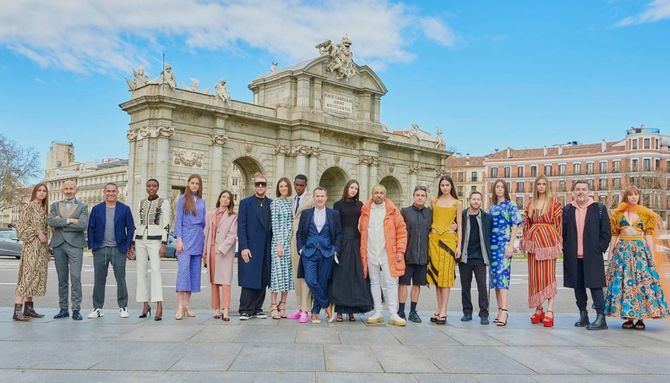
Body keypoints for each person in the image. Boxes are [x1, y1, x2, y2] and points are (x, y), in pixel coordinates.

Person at [605, 185, 669, 329]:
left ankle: (641, 318)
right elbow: (614, 236)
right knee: (625, 284)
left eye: (636, 194)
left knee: (641, 283)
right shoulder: (618, 214)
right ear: (625, 197)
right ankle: (629, 317)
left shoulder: (646, 215)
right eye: (630, 195)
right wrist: (610, 255)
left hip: (640, 252)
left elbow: (648, 236)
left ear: (639, 197)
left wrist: (651, 256)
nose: (633, 197)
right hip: (623, 251)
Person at [562, 180, 611, 330]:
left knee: (596, 286)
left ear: (589, 192)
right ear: (573, 192)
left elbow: (606, 232)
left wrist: (599, 248)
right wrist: (566, 247)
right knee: (578, 287)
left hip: (592, 255)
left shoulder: (599, 209)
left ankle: (601, 318)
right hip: (573, 255)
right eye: (578, 189)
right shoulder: (568, 209)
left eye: (584, 189)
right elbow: (563, 232)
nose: (581, 192)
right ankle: (583, 315)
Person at [359, 185, 407, 327]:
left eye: (381, 193)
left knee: (391, 282)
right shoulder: (365, 211)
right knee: (374, 282)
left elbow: (402, 231)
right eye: (376, 193)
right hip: (371, 251)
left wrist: (400, 250)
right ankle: (378, 311)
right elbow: (360, 230)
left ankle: (393, 313)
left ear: (385, 195)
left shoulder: (392, 211)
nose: (379, 195)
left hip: (388, 252)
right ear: (372, 194)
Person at [87, 183, 135, 319]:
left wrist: (126, 245)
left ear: (117, 192)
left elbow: (131, 228)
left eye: (113, 191)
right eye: (108, 191)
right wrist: (92, 246)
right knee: (99, 280)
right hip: (100, 249)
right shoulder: (96, 209)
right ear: (104, 192)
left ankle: (123, 307)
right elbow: (91, 227)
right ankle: (97, 308)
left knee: (121, 279)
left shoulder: (124, 209)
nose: (111, 193)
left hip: (118, 249)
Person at [296, 187, 342, 323]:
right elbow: (299, 233)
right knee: (310, 280)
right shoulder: (306, 214)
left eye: (322, 196)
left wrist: (335, 249)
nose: (320, 198)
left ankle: (315, 313)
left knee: (321, 283)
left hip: (327, 253)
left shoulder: (334, 214)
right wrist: (300, 249)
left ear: (326, 198)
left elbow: (339, 234)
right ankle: (326, 305)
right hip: (309, 252)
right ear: (314, 198)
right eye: (317, 196)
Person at [330, 180, 374, 322]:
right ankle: (339, 312)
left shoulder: (360, 205)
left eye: (356, 188)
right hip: (343, 241)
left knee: (355, 277)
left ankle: (352, 311)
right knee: (341, 277)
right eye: (351, 187)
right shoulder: (338, 205)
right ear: (347, 188)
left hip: (356, 242)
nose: (353, 190)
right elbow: (335, 225)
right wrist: (336, 246)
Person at [521, 175, 562, 327]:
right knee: (535, 276)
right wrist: (525, 241)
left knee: (548, 276)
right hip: (533, 242)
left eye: (544, 184)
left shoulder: (554, 203)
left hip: (548, 242)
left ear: (548, 186)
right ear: (536, 186)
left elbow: (559, 225)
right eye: (539, 184)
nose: (541, 187)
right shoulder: (530, 203)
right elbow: (526, 224)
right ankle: (539, 308)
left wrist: (558, 242)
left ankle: (550, 309)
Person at [48, 180, 88, 321]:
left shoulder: (83, 206)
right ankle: (63, 309)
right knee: (62, 279)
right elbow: (51, 221)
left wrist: (62, 221)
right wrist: (70, 220)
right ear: (62, 190)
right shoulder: (54, 205)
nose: (69, 191)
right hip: (58, 244)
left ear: (76, 190)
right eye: (66, 188)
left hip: (75, 245)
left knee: (76, 277)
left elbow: (83, 225)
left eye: (71, 188)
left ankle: (76, 309)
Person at [132, 179, 171, 321]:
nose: (151, 188)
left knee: (155, 271)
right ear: (146, 187)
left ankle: (159, 305)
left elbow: (166, 223)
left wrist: (164, 243)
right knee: (140, 272)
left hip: (155, 239)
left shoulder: (163, 202)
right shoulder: (141, 202)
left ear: (158, 187)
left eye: (154, 186)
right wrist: (132, 241)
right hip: (140, 239)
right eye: (149, 186)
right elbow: (138, 222)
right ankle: (145, 304)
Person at [237, 172, 273, 320]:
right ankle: (245, 309)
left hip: (266, 247)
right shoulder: (246, 203)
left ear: (266, 187)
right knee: (249, 277)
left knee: (263, 278)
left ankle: (257, 308)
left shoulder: (271, 203)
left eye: (262, 184)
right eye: (257, 184)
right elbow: (241, 226)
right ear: (254, 186)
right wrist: (243, 247)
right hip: (250, 247)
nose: (260, 187)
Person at [13, 184, 50, 321]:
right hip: (31, 246)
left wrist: (47, 250)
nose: (41, 193)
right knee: (27, 275)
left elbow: (46, 231)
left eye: (44, 191)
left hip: (41, 248)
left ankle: (28, 308)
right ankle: (17, 310)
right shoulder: (28, 206)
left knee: (35, 276)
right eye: (39, 190)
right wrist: (36, 233)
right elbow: (20, 226)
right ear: (35, 192)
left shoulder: (43, 209)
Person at [428, 176, 462, 325]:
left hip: (449, 241)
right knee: (436, 277)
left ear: (451, 186)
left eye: (447, 185)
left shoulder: (457, 203)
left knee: (446, 277)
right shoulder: (433, 201)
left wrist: (459, 245)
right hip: (434, 240)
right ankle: (438, 308)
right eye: (442, 185)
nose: (445, 187)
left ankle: (444, 310)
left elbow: (460, 225)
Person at [488, 180, 522, 326]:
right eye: (497, 187)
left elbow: (515, 225)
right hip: (492, 246)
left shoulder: (511, 205)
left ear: (505, 189)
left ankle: (505, 311)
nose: (499, 189)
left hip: (504, 245)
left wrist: (511, 245)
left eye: (502, 187)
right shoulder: (492, 207)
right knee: (495, 280)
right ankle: (499, 310)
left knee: (503, 278)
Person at [174, 174, 206, 320]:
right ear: (188, 184)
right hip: (185, 238)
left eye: (197, 184)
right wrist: (179, 240)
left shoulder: (202, 201)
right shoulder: (182, 200)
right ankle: (180, 305)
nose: (194, 186)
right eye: (192, 183)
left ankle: (187, 304)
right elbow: (178, 220)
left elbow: (204, 223)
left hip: (198, 237)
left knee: (194, 272)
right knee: (183, 272)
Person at [398, 185, 432, 323]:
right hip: (407, 255)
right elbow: (399, 232)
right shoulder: (405, 212)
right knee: (403, 284)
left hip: (423, 256)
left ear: (426, 197)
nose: (420, 197)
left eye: (422, 195)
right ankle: (401, 311)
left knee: (417, 284)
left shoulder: (430, 213)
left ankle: (413, 311)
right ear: (413, 196)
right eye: (417, 195)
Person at [458, 191, 493, 325]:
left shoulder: (487, 217)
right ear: (469, 200)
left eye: (479, 199)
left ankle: (484, 314)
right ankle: (467, 312)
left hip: (480, 258)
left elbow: (488, 234)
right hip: (465, 257)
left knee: (482, 286)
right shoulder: (461, 216)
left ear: (481, 201)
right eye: (474, 199)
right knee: (465, 286)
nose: (476, 201)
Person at [203, 190, 238, 322]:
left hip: (225, 252)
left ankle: (226, 310)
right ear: (219, 198)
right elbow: (206, 234)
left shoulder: (233, 216)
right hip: (211, 250)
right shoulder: (210, 214)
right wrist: (204, 253)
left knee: (225, 282)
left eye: (228, 198)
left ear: (230, 201)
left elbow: (233, 235)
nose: (225, 199)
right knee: (214, 282)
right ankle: (216, 309)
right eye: (223, 197)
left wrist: (222, 248)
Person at [287, 174, 314, 323]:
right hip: (293, 240)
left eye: (301, 185)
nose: (298, 187)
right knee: (297, 276)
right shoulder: (292, 200)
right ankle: (299, 308)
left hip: (306, 240)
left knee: (306, 276)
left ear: (306, 185)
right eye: (296, 185)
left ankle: (306, 310)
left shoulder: (311, 199)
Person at [269, 178, 295, 319]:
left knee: (287, 276)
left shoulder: (291, 202)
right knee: (277, 276)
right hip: (278, 244)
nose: (284, 188)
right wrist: (278, 244)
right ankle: (273, 305)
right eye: (281, 186)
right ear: (278, 188)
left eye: (286, 186)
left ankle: (283, 305)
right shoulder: (275, 203)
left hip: (289, 242)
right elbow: (274, 224)